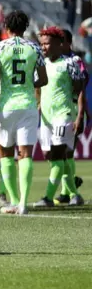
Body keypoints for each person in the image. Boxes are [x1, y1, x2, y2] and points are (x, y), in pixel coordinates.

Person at [0, 11, 48, 215]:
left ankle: (12, 200)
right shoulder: (34, 48)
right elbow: (44, 79)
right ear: (26, 27)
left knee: (5, 153)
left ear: (6, 27)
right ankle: (23, 203)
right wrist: (29, 84)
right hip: (28, 106)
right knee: (25, 154)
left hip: (5, 107)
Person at [34, 27, 84, 207]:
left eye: (46, 43)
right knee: (53, 156)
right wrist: (37, 106)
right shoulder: (41, 64)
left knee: (58, 154)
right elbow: (38, 88)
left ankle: (48, 198)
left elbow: (79, 90)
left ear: (58, 43)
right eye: (41, 44)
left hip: (63, 115)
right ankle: (74, 194)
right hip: (46, 118)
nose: (43, 47)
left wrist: (78, 116)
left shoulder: (69, 63)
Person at [54, 30, 87, 205]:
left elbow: (81, 89)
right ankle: (68, 189)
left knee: (67, 153)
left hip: (73, 110)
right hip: (61, 110)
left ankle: (69, 192)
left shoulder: (75, 62)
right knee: (64, 153)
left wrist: (81, 114)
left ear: (68, 43)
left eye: (60, 41)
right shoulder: (56, 62)